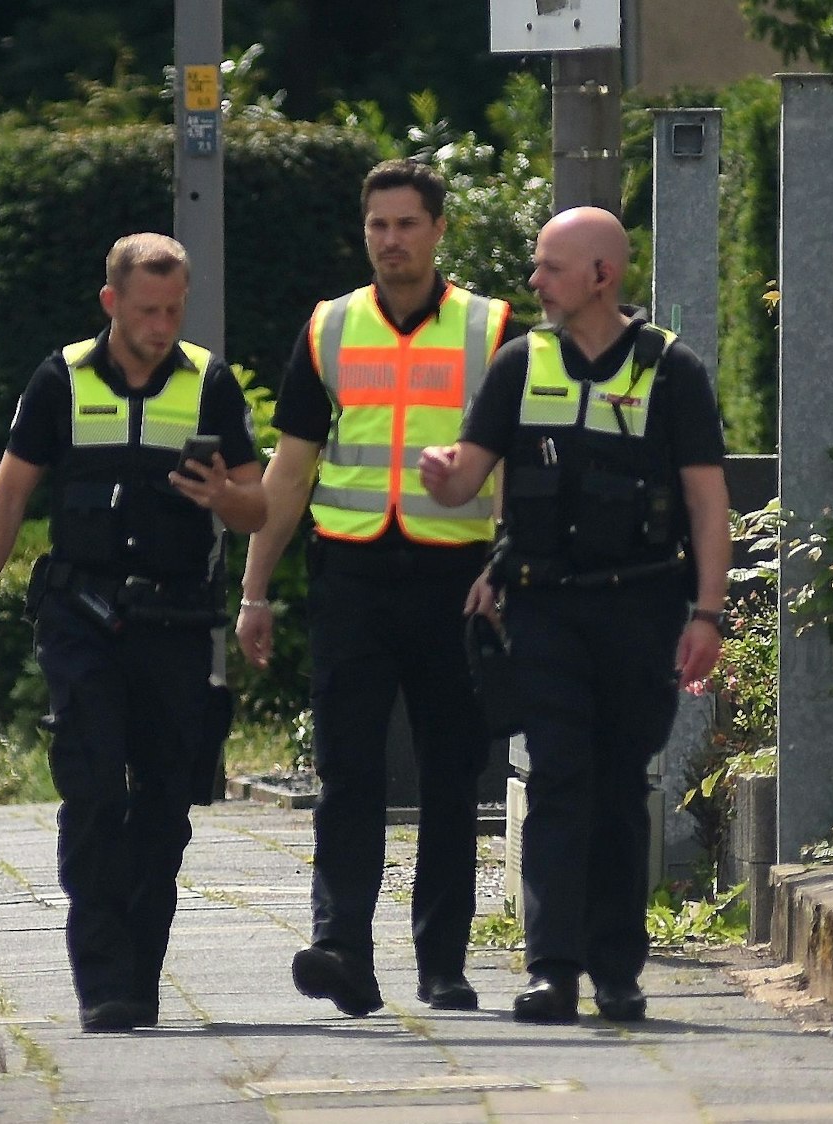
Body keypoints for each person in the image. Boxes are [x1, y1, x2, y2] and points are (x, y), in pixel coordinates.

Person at [418, 205, 731, 1024]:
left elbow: (707, 504)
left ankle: (617, 972)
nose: (533, 280)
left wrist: (707, 612)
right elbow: (466, 476)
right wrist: (442, 475)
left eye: (549, 266)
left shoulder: (672, 371)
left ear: (602, 275)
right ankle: (552, 968)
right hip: (544, 607)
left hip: (642, 605)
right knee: (558, 777)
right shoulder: (521, 365)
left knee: (622, 787)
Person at [0, 233, 266, 1032]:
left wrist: (217, 497)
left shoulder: (208, 385)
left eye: (172, 310)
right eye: (146, 311)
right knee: (93, 794)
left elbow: (259, 506)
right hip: (82, 618)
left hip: (173, 620)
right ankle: (102, 981)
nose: (161, 326)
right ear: (111, 304)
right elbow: (8, 495)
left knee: (164, 803)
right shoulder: (60, 381)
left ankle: (140, 972)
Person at [236, 158, 523, 1016]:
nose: (390, 240)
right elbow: (289, 474)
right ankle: (341, 951)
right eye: (377, 226)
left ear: (438, 231)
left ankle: (443, 964)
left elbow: (510, 469)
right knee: (348, 773)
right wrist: (255, 591)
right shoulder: (328, 328)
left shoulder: (489, 328)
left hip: (455, 581)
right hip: (352, 574)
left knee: (449, 777)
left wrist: (506, 571)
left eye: (406, 224)